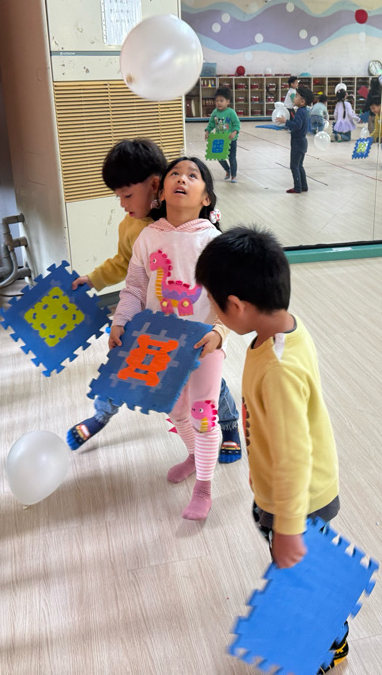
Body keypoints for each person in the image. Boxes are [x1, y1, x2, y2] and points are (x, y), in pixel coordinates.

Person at [195, 226, 347, 673]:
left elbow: (293, 457)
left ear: (237, 305)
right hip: (290, 493)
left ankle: (329, 644)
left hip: (299, 500)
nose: (212, 311)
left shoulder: (278, 370)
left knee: (302, 575)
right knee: (301, 569)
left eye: (215, 303)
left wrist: (288, 527)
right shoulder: (282, 330)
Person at [67, 141, 242, 463]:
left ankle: (229, 424)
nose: (123, 204)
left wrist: (220, 328)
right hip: (153, 325)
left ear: (154, 186)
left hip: (195, 328)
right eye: (118, 197)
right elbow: (126, 271)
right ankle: (101, 415)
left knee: (207, 381)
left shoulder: (194, 228)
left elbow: (221, 281)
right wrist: (94, 281)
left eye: (127, 195)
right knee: (123, 368)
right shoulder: (136, 230)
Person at [110, 156, 226, 520]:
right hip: (160, 343)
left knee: (203, 414)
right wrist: (120, 322)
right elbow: (134, 287)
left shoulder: (213, 241)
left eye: (193, 175)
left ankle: (204, 486)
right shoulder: (148, 237)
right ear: (160, 192)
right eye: (175, 173)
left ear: (206, 198)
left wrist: (219, 332)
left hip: (203, 344)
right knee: (176, 410)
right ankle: (194, 455)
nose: (182, 179)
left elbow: (228, 297)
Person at [276, 85, 314, 193]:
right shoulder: (304, 111)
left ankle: (297, 187)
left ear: (302, 101)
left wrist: (286, 122)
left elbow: (297, 125)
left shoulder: (300, 112)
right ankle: (304, 186)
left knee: (294, 166)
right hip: (302, 141)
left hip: (298, 142)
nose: (294, 98)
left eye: (296, 96)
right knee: (299, 165)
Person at [205, 87, 241, 182]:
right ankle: (227, 170)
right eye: (217, 101)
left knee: (231, 157)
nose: (218, 103)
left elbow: (237, 124)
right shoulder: (215, 113)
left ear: (227, 101)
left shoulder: (231, 112)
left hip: (231, 139)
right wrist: (207, 131)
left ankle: (233, 175)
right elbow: (211, 124)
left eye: (221, 101)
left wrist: (234, 132)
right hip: (219, 139)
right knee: (219, 157)